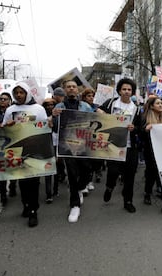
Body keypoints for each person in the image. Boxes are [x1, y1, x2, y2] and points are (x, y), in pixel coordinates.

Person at [2, 82, 48, 227]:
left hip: (34, 149)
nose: (19, 95)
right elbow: (3, 129)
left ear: (27, 93)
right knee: (22, 181)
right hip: (17, 150)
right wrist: (6, 126)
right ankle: (26, 204)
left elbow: (44, 128)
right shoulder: (10, 109)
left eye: (22, 92)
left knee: (33, 182)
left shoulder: (39, 109)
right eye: (16, 93)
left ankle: (34, 211)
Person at [52, 80, 94, 223]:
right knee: (71, 173)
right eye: (68, 87)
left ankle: (80, 188)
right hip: (67, 146)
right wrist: (54, 116)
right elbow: (55, 127)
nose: (71, 89)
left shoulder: (86, 106)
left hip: (83, 146)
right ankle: (74, 205)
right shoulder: (59, 106)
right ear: (64, 90)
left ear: (78, 90)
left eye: (74, 87)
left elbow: (94, 123)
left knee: (87, 171)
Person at [98, 78, 141, 213]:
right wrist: (103, 114)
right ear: (119, 91)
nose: (127, 92)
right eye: (124, 89)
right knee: (113, 171)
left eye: (129, 90)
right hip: (113, 145)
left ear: (132, 92)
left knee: (130, 175)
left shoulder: (136, 109)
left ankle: (128, 200)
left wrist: (134, 128)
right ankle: (110, 186)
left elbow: (140, 126)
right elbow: (98, 111)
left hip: (130, 146)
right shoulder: (111, 103)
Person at [141, 96, 162, 216]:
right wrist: (145, 130)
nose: (161, 105)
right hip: (151, 153)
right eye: (158, 103)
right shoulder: (145, 118)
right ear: (151, 106)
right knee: (151, 175)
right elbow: (140, 135)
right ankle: (147, 193)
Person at [0, 92, 17, 205]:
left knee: (13, 165)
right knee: (1, 168)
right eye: (0, 98)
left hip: (13, 141)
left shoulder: (14, 111)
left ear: (9, 100)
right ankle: (2, 194)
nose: (2, 100)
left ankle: (12, 186)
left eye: (5, 99)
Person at [42, 98, 59, 203]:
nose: (49, 107)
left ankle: (55, 190)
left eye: (52, 104)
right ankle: (49, 194)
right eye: (47, 105)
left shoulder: (59, 116)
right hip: (46, 145)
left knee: (57, 170)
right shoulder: (42, 116)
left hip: (57, 145)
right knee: (48, 169)